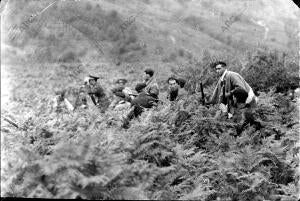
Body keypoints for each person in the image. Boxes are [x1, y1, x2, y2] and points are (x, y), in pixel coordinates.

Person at [205, 61, 261, 133]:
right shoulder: (221, 79)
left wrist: (229, 94)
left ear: (224, 68)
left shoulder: (232, 75)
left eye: (219, 68)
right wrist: (208, 102)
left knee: (242, 122)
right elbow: (216, 95)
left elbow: (241, 89)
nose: (217, 71)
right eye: (216, 69)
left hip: (247, 102)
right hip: (237, 103)